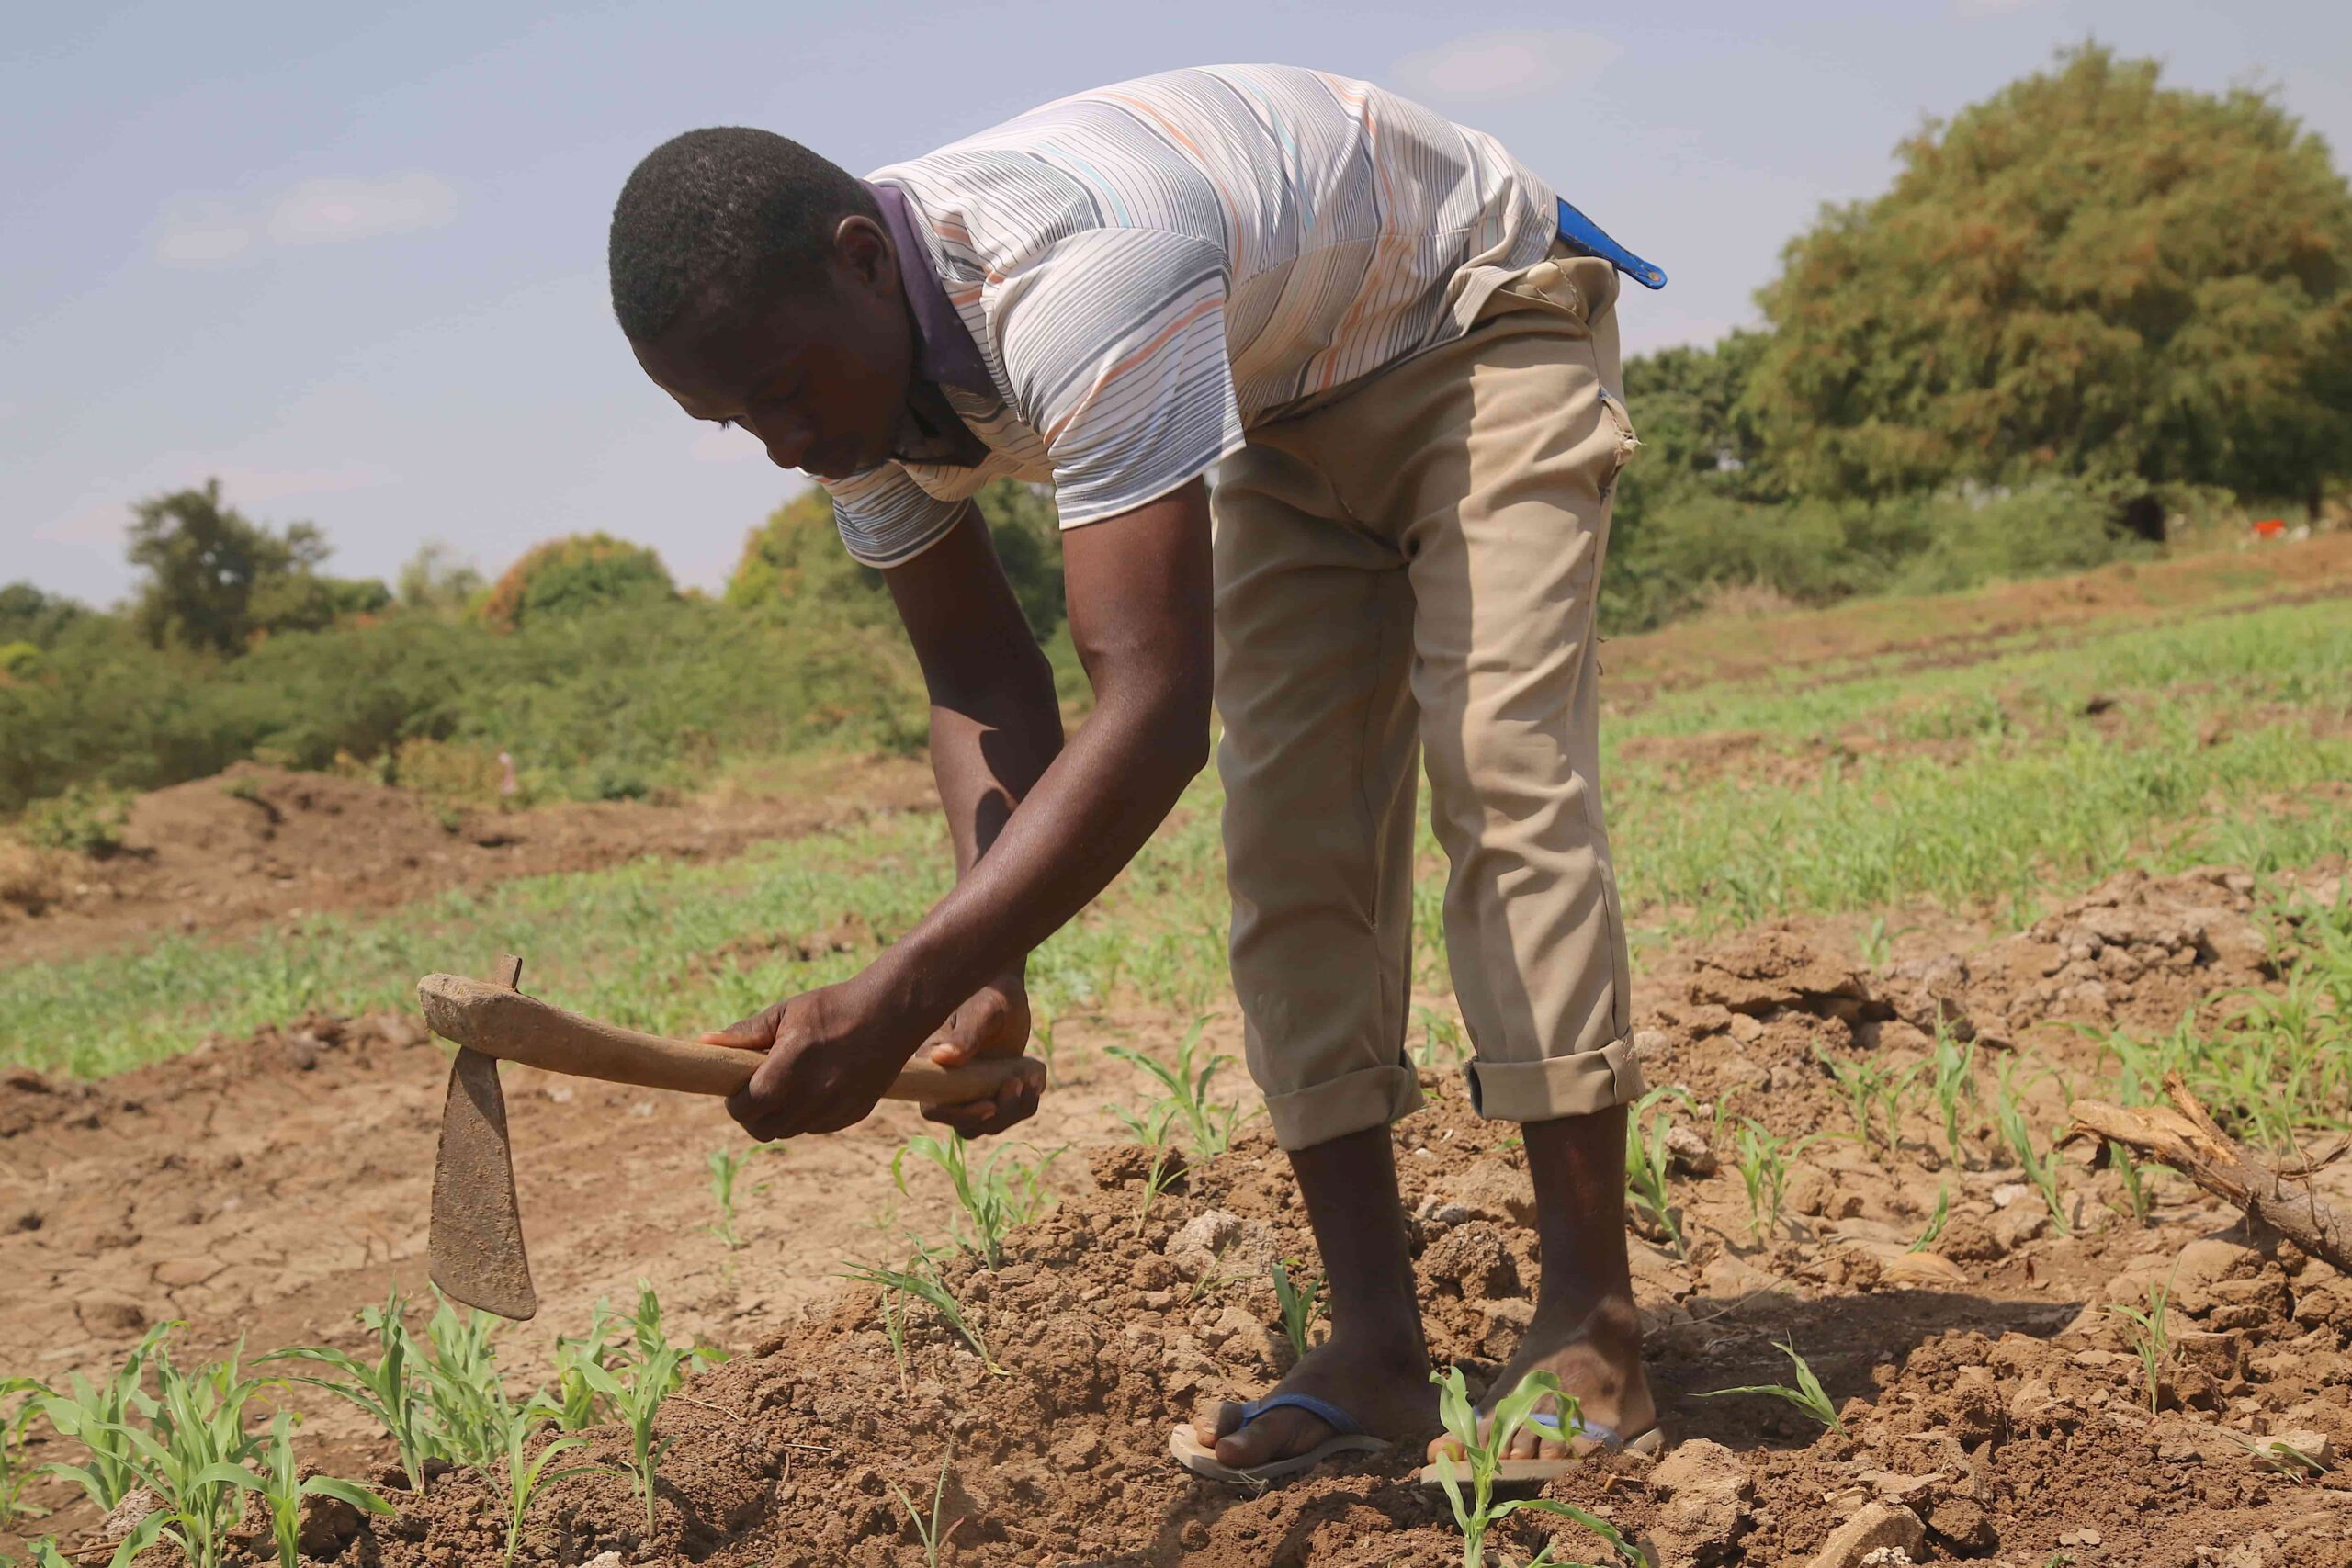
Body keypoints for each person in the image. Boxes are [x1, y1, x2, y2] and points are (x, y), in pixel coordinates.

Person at [607, 62, 1664, 1486]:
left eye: (785, 399)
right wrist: (988, 971)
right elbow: (982, 680)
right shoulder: (842, 396)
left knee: (1503, 774)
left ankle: (1588, 1322)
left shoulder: (1083, 277)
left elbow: (1153, 704)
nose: (783, 446)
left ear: (864, 262)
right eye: (737, 424)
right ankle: (1376, 1350)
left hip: (1475, 320)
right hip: (1285, 403)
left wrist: (903, 990)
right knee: (1291, 850)